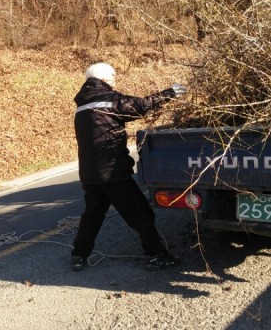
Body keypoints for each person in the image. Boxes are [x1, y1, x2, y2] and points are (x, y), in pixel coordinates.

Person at [71, 63, 187, 271]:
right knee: (141, 214)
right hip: (112, 171)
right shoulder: (107, 99)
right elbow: (141, 106)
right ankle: (157, 254)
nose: (115, 79)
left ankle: (79, 255)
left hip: (89, 173)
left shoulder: (83, 103)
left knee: (92, 216)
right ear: (105, 78)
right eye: (114, 76)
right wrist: (171, 93)